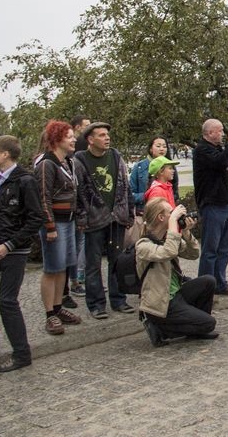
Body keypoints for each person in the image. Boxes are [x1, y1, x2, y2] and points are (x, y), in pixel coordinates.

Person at [0, 135, 43, 374]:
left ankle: (21, 353)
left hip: (14, 248)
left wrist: (10, 245)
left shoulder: (25, 181)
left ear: (6, 154)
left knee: (6, 300)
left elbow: (35, 219)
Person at [136, 197, 217, 347]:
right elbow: (168, 252)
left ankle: (195, 326)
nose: (175, 216)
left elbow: (193, 254)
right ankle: (161, 329)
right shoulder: (143, 245)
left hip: (176, 294)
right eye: (171, 213)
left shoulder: (168, 238)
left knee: (208, 281)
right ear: (161, 217)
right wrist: (174, 225)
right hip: (161, 304)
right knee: (209, 323)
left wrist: (185, 232)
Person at [74, 122, 135, 319]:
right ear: (90, 140)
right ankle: (96, 304)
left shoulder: (115, 156)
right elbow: (79, 193)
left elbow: (125, 185)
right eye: (101, 135)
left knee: (117, 261)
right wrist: (83, 218)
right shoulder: (79, 160)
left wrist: (129, 212)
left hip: (116, 218)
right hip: (94, 220)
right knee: (93, 265)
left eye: (107, 134)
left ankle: (119, 300)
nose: (106, 138)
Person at [34, 121, 83, 335]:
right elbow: (42, 197)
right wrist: (50, 226)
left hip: (69, 220)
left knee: (63, 266)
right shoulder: (47, 164)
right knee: (52, 268)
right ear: (57, 139)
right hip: (55, 224)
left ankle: (58, 307)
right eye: (69, 136)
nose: (74, 140)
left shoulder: (67, 163)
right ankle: (49, 314)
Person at [193, 119, 228, 296]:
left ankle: (220, 283)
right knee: (210, 249)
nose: (222, 134)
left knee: (224, 247)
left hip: (226, 203)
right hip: (212, 205)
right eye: (219, 131)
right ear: (209, 133)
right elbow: (220, 162)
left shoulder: (218, 149)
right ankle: (204, 288)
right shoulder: (202, 150)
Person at [66, 114, 91, 300]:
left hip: (81, 206)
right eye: (86, 125)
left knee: (81, 243)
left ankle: (79, 278)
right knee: (76, 244)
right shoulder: (76, 154)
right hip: (71, 211)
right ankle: (75, 280)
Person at [130, 136, 180, 217]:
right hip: (143, 213)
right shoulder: (139, 167)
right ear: (150, 149)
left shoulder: (171, 166)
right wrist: (148, 196)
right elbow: (130, 194)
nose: (162, 149)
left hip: (167, 214)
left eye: (164, 146)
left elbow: (175, 192)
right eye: (158, 146)